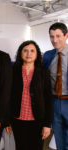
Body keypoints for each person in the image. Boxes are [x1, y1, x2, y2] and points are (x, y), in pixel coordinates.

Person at [10, 40, 52, 150]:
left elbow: (48, 99)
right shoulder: (13, 70)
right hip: (17, 119)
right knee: (20, 147)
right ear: (20, 53)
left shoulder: (43, 72)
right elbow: (8, 96)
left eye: (32, 51)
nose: (29, 54)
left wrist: (47, 124)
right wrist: (6, 121)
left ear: (37, 54)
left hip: (37, 119)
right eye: (25, 51)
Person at [43, 22, 68, 150]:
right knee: (59, 139)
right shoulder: (47, 55)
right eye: (52, 36)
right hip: (54, 102)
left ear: (66, 36)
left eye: (58, 36)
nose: (55, 40)